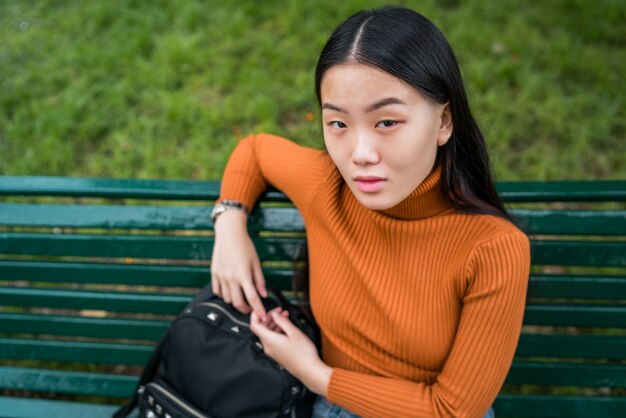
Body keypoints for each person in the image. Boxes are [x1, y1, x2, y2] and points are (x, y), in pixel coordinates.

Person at [210, 6, 530, 418]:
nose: (360, 155)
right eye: (338, 124)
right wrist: (230, 225)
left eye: (387, 122)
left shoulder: (494, 249)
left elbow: (452, 411)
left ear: (444, 121)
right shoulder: (326, 185)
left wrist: (316, 375)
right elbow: (254, 150)